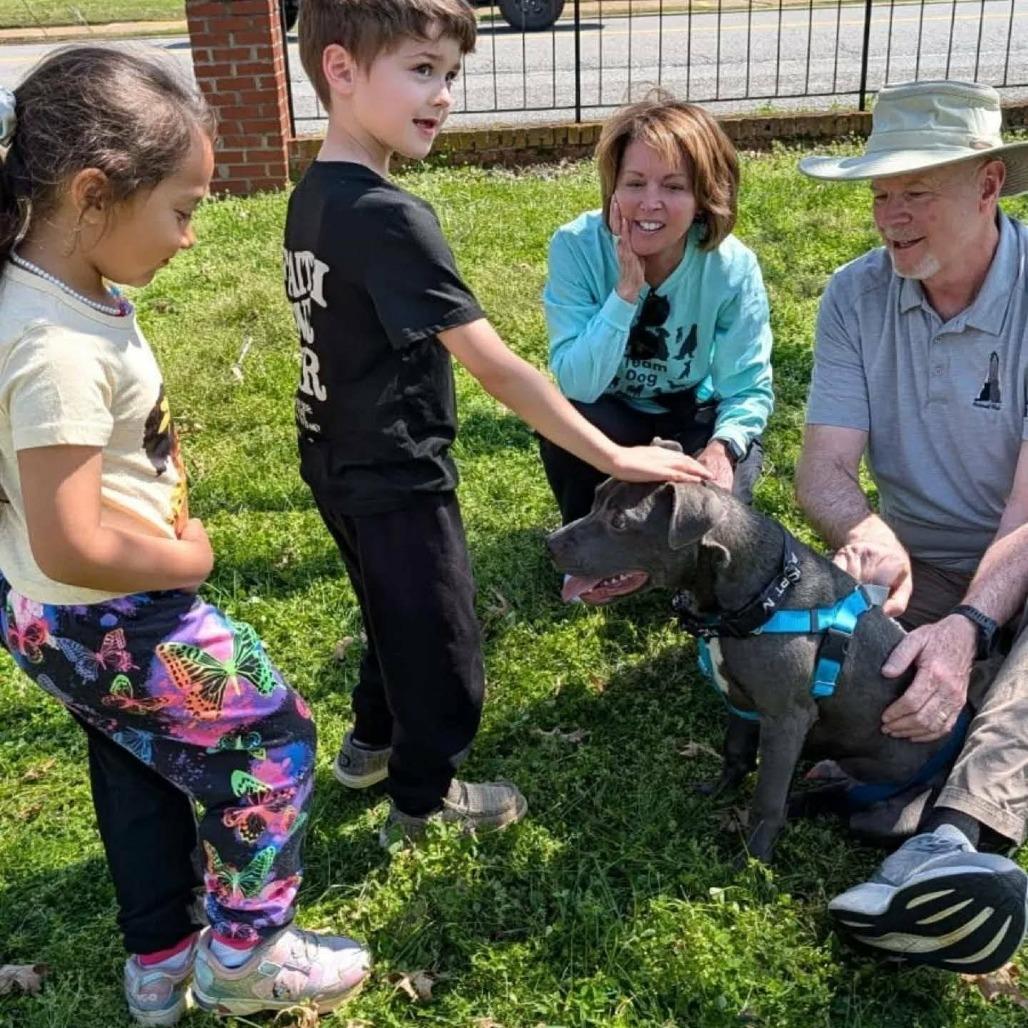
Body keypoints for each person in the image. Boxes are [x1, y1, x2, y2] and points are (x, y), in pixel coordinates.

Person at [0, 47, 370, 1025]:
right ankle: (246, 952)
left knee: (140, 757)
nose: (193, 238)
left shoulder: (38, 293)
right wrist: (186, 558)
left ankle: (159, 958)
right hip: (114, 607)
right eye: (181, 208)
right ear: (93, 195)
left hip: (51, 611)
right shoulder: (57, 350)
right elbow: (74, 534)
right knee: (272, 732)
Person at [285, 0, 709, 846]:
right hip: (398, 474)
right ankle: (421, 797)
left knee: (387, 612)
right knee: (443, 647)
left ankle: (370, 743)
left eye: (450, 76)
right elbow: (497, 366)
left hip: (332, 458)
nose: (443, 97)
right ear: (340, 69)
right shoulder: (391, 217)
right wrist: (611, 451)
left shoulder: (313, 196)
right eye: (420, 70)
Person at [796, 79, 1028, 974]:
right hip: (913, 562)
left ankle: (948, 840)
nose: (890, 216)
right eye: (880, 192)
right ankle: (932, 767)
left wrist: (968, 627)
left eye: (916, 190)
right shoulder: (854, 296)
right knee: (795, 648)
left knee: (957, 667)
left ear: (989, 183)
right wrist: (864, 527)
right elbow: (821, 469)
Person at [539, 94, 773, 536]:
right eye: (634, 183)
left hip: (691, 413)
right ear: (613, 188)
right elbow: (578, 384)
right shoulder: (575, 247)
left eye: (673, 186)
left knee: (721, 517)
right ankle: (588, 537)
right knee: (566, 421)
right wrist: (626, 291)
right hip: (609, 409)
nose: (650, 203)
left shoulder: (731, 266)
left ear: (704, 198)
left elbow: (746, 387)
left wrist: (721, 451)